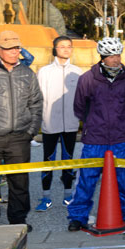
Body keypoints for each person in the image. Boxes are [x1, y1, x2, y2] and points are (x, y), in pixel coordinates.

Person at [67, 37, 125, 231]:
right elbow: (79, 106)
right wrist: (92, 122)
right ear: (102, 57)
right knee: (86, 178)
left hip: (117, 137)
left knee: (123, 178)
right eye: (111, 56)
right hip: (94, 138)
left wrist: (117, 120)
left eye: (118, 55)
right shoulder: (88, 78)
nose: (115, 60)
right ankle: (77, 216)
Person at [0, 31, 43, 231]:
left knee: (19, 182)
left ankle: (18, 221)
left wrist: (30, 132)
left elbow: (36, 103)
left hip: (19, 138)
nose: (14, 52)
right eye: (8, 48)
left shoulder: (27, 73)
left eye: (16, 48)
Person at [35, 36, 82, 211]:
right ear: (55, 49)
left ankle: (68, 195)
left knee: (68, 159)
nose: (65, 49)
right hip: (50, 124)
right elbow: (38, 98)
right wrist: (40, 120)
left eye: (69, 47)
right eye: (62, 47)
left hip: (70, 123)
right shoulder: (44, 72)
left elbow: (82, 99)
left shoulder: (77, 72)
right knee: (48, 160)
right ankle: (45, 197)